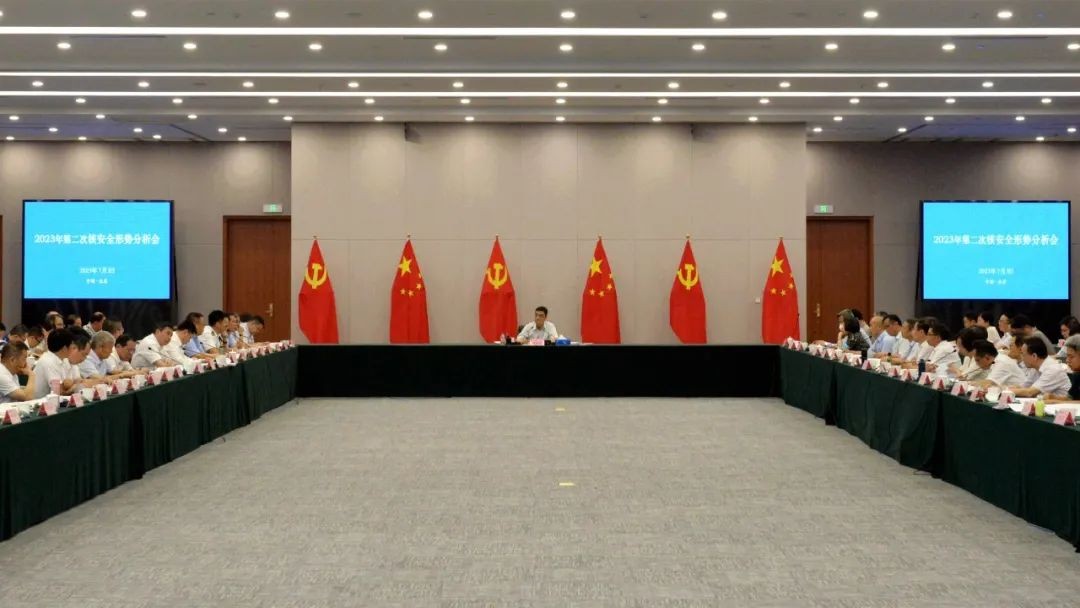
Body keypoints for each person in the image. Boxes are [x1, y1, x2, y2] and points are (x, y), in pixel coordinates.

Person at [32, 328, 78, 398]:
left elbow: (75, 381)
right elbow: (59, 392)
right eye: (72, 346)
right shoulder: (48, 361)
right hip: (40, 403)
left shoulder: (64, 360)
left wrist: (74, 385)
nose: (74, 349)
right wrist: (76, 386)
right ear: (64, 348)